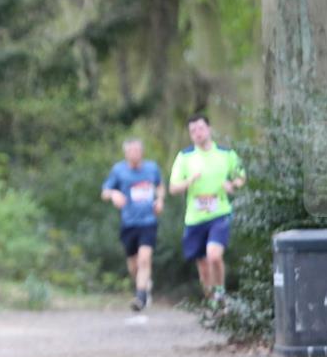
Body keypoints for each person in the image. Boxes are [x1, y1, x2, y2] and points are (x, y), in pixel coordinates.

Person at [168, 113, 246, 307]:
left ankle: (220, 293)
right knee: (203, 267)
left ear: (209, 129)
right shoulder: (185, 156)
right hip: (194, 218)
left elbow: (241, 177)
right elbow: (173, 188)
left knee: (214, 255)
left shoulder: (226, 153)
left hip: (219, 213)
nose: (197, 133)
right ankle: (212, 304)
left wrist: (232, 185)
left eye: (201, 128)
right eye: (192, 131)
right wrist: (189, 181)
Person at [101, 138, 164, 311]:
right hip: (129, 223)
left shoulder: (152, 168)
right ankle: (144, 285)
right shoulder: (119, 170)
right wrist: (114, 194)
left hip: (148, 222)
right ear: (126, 153)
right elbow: (104, 192)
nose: (134, 154)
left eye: (137, 150)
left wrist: (159, 200)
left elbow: (160, 186)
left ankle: (140, 297)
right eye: (131, 151)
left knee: (145, 258)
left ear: (142, 152)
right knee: (134, 265)